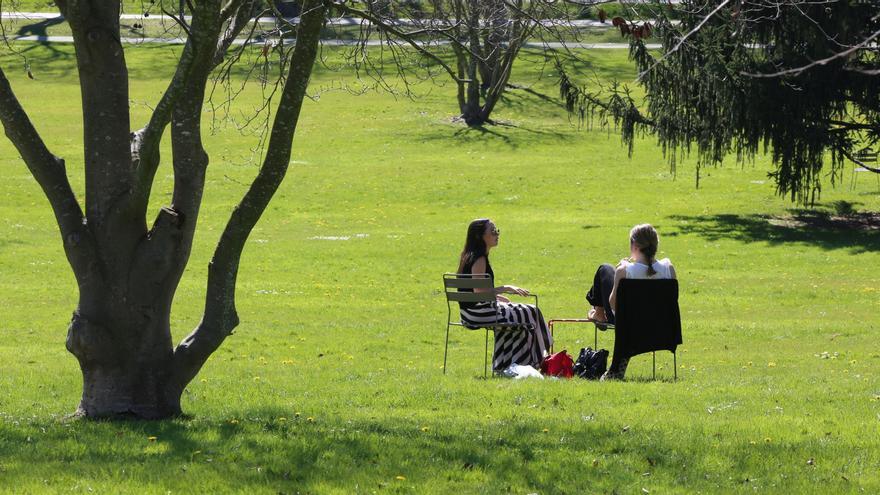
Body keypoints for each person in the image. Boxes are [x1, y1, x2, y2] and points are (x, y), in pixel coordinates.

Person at [456, 218, 553, 372]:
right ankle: (541, 360)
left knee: (520, 316)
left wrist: (496, 297)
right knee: (531, 312)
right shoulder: (479, 259)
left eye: (497, 230)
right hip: (479, 314)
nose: (497, 234)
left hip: (470, 313)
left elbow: (470, 292)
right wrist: (505, 288)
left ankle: (509, 363)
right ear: (480, 236)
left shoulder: (467, 256)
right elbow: (478, 291)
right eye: (492, 231)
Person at [585, 224, 676, 379]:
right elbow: (673, 300)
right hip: (661, 326)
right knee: (608, 271)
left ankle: (598, 313)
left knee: (605, 269)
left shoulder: (624, 271)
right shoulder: (668, 268)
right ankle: (598, 313)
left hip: (628, 326)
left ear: (634, 245)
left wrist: (619, 274)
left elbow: (614, 304)